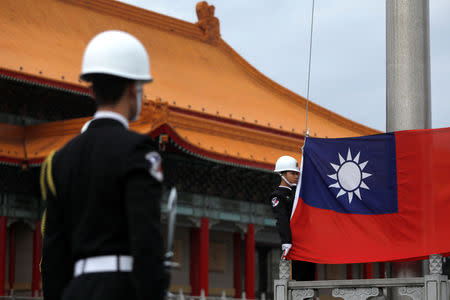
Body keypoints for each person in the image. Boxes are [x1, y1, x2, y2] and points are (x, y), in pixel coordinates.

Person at [40, 30, 168, 300]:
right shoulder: (137, 150)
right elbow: (146, 240)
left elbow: (53, 252)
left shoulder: (58, 160)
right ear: (133, 88)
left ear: (93, 88)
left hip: (74, 291)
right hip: (122, 288)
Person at [270, 155, 315, 281]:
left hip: (306, 241)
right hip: (294, 243)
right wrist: (286, 241)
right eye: (293, 173)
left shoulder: (297, 193)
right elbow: (282, 219)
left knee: (309, 277)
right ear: (282, 174)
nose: (296, 176)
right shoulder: (278, 196)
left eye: (297, 173)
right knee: (298, 277)